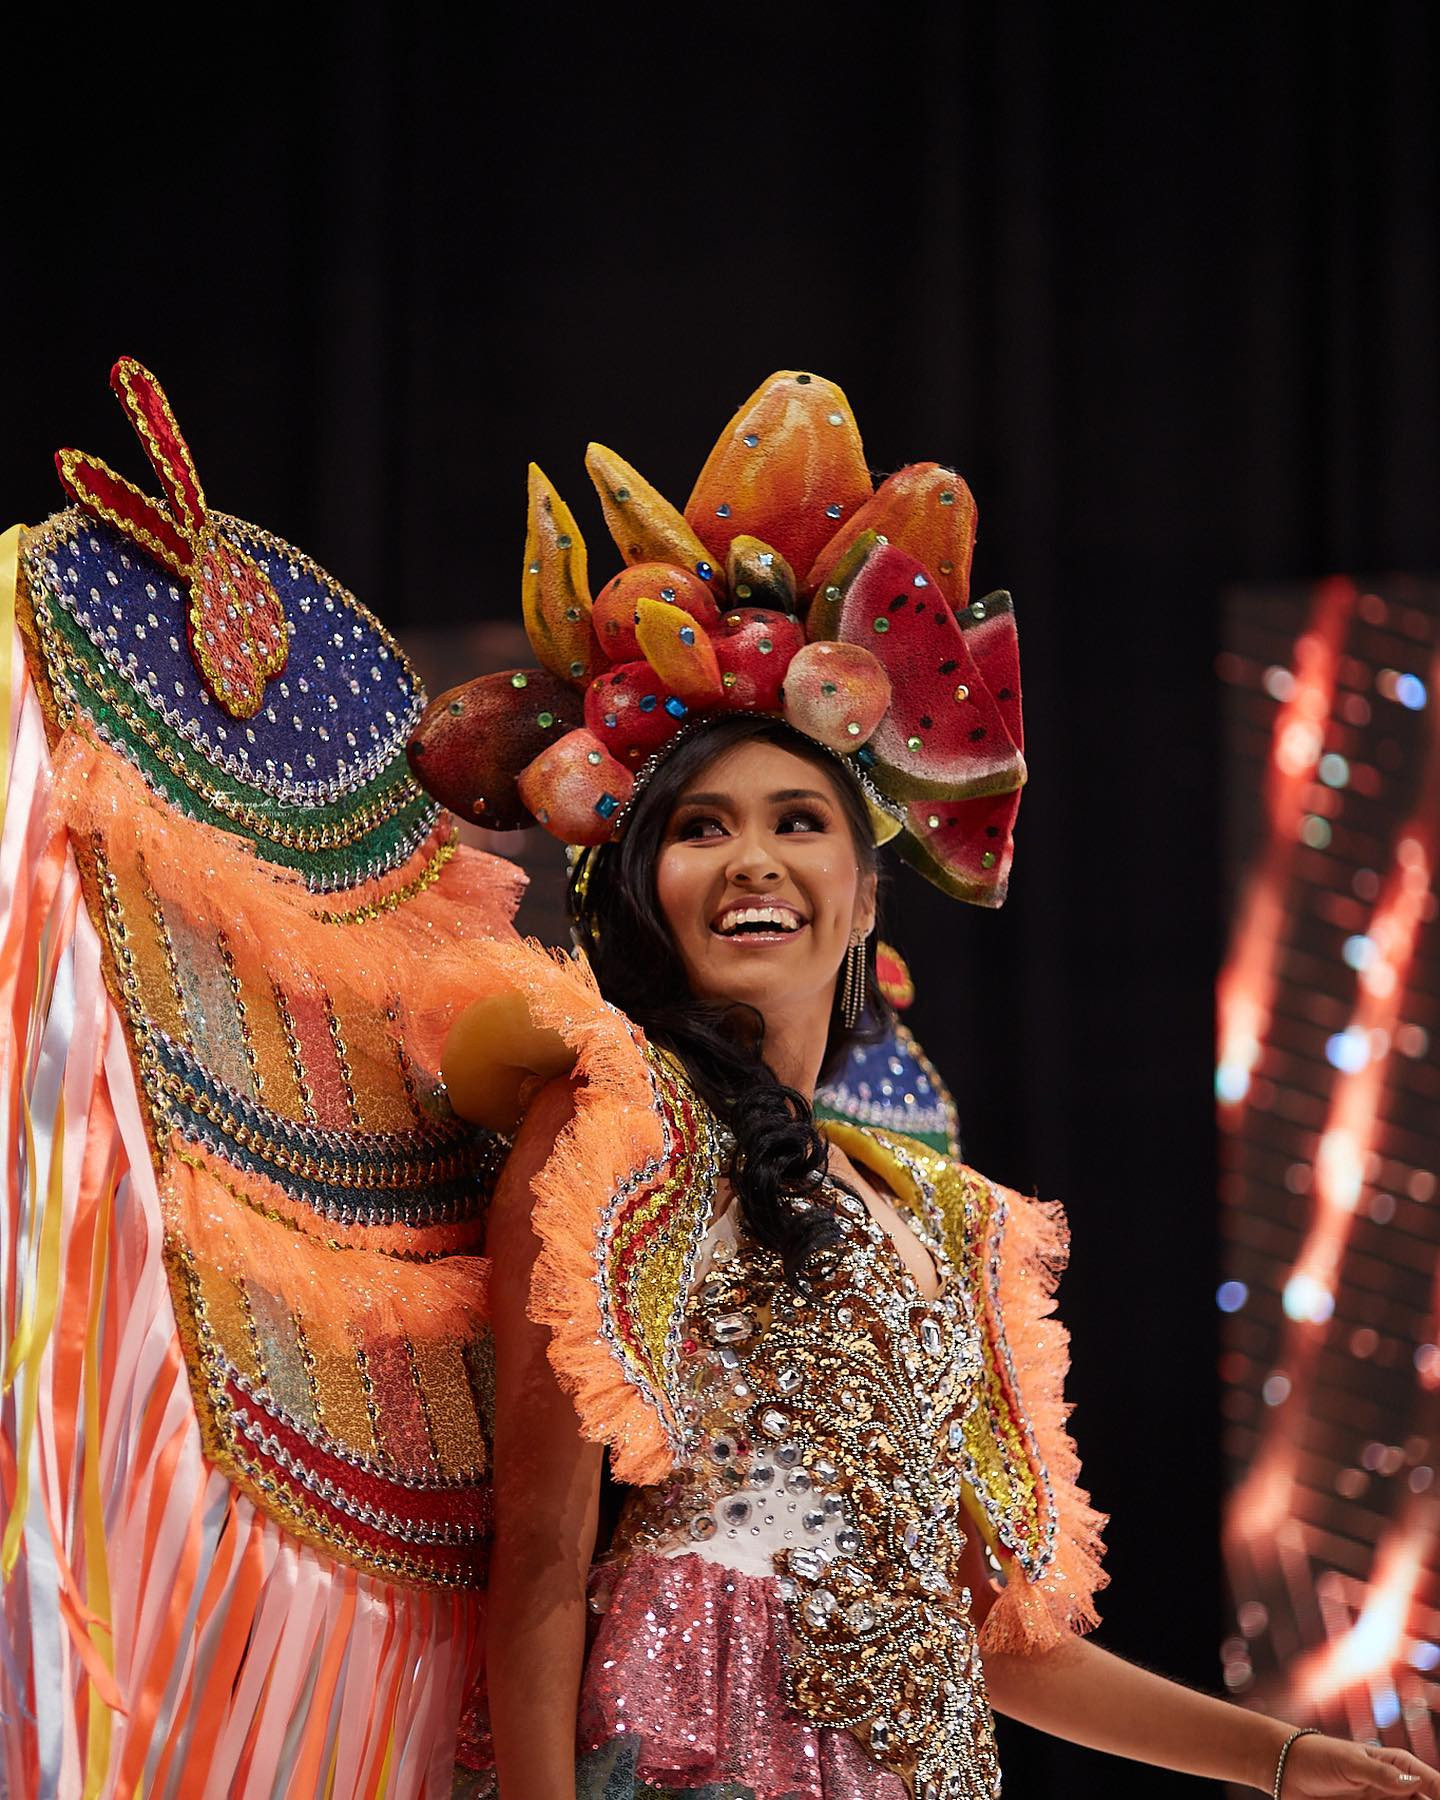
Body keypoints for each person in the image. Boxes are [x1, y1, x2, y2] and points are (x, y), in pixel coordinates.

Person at [411, 370, 1440, 1799]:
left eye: (797, 822)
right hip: (686, 1753)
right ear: (644, 887)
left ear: (865, 891)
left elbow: (1002, 1642)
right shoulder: (610, 1125)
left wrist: (1286, 1758)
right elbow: (535, 1570)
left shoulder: (944, 1218)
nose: (754, 857)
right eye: (701, 828)